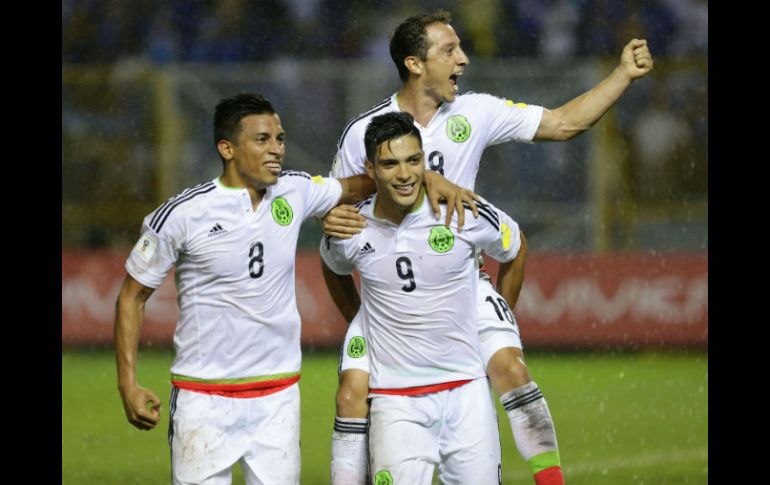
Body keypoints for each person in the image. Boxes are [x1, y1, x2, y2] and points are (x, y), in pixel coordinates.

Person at [324, 10, 654, 485]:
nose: (464, 58)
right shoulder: (365, 131)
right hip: (390, 287)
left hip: (463, 274)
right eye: (450, 50)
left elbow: (562, 124)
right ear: (415, 64)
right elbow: (337, 205)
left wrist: (622, 74)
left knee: (510, 367)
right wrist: (428, 179)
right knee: (352, 393)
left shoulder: (475, 112)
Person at [114, 93, 376, 485]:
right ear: (227, 148)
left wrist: (424, 177)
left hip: (278, 398)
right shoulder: (183, 214)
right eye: (262, 139)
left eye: (280, 139)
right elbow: (132, 296)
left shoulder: (295, 191)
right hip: (203, 400)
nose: (277, 150)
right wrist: (127, 384)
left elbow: (366, 185)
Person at [321, 112, 527, 484]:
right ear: (369, 168)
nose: (404, 175)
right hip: (395, 402)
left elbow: (514, 248)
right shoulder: (351, 227)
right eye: (390, 164)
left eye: (413, 161)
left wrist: (500, 318)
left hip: (467, 395)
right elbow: (331, 265)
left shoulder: (460, 211)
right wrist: (360, 316)